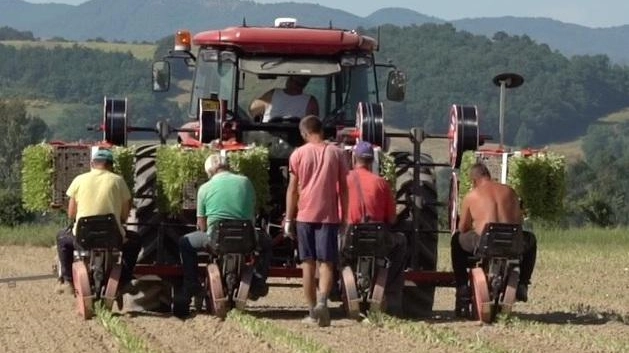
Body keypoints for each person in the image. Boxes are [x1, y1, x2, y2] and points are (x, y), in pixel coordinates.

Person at [174, 153, 271, 318]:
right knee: (267, 243)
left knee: (185, 242)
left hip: (216, 238)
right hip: (247, 238)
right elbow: (252, 213)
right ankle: (259, 282)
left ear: (210, 171)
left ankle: (191, 283)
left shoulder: (204, 188)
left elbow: (202, 225)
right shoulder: (245, 182)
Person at [285, 115, 349, 327]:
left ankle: (312, 312)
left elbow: (293, 190)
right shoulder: (337, 153)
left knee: (307, 264)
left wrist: (288, 218)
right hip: (328, 216)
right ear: (321, 130)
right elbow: (344, 189)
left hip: (304, 216)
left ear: (304, 133)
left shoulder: (298, 154)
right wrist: (345, 216)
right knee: (327, 262)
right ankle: (323, 302)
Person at [451, 163, 537, 311]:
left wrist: (475, 224)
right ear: (489, 176)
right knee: (532, 239)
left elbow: (463, 228)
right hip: (513, 242)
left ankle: (462, 286)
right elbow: (519, 221)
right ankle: (523, 283)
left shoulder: (472, 196)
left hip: (485, 242)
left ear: (473, 181)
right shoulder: (510, 191)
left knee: (456, 240)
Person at [55, 149, 140, 295]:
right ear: (111, 166)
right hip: (113, 237)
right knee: (135, 241)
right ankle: (125, 281)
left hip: (83, 237)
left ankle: (67, 281)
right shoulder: (118, 181)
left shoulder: (79, 180)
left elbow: (71, 213)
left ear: (92, 164)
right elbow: (125, 213)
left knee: (62, 238)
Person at [344, 141, 407, 317]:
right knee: (401, 242)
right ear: (372, 161)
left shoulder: (343, 180)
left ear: (353, 158)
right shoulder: (382, 183)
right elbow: (392, 219)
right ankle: (391, 294)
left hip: (349, 238)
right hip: (377, 239)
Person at [249, 75, 319, 122]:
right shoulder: (311, 101)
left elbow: (253, 108)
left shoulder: (273, 93)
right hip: (294, 140)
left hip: (270, 138)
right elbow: (312, 126)